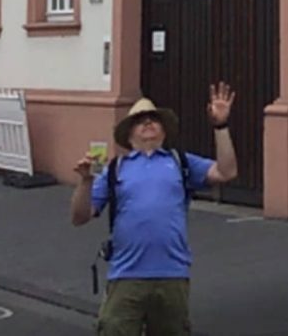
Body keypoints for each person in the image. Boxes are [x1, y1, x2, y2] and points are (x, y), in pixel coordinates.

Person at [71, 83, 239, 336]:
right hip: (126, 275)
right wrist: (85, 182)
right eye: (140, 120)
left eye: (153, 119)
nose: (148, 123)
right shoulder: (115, 169)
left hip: (172, 274)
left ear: (163, 130)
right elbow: (79, 217)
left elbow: (227, 171)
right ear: (129, 134)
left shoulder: (179, 161)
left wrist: (221, 126)